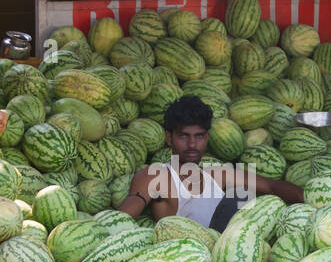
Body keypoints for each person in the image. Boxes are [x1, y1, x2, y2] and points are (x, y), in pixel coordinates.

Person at [117, 95, 303, 230]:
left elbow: (272, 186)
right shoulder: (157, 176)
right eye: (183, 136)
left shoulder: (217, 175)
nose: (192, 144)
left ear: (207, 138)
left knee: (242, 196)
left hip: (227, 257)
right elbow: (125, 215)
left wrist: (309, 199)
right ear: (169, 138)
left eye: (199, 136)